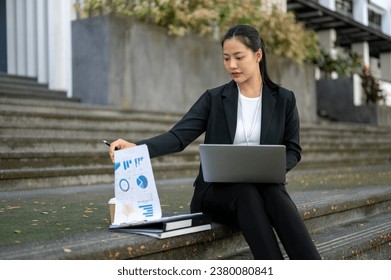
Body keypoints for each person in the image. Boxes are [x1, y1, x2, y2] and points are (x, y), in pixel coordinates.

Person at [109, 24, 321, 260]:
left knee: (274, 194)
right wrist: (137, 148)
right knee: (247, 192)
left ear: (258, 55)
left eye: (239, 57)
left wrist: (272, 170)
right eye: (226, 58)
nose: (232, 65)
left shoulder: (284, 99)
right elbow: (178, 137)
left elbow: (293, 150)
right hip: (216, 195)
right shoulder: (214, 98)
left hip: (263, 190)